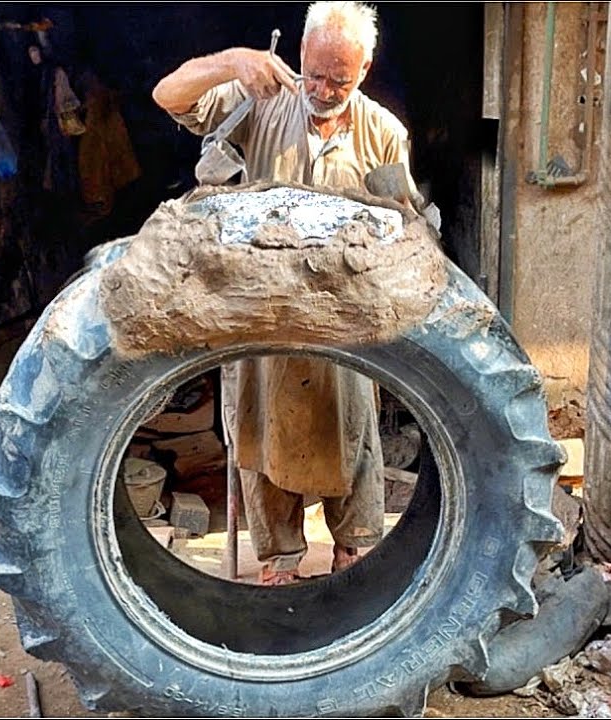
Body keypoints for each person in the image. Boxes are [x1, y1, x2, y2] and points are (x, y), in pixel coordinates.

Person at [153, 1, 412, 586]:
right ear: (298, 54)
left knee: (351, 437)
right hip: (264, 320)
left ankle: (352, 554)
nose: (321, 89)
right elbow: (168, 95)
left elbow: (401, 231)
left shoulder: (384, 134)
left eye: (338, 80)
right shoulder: (259, 101)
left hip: (342, 326)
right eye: (314, 73)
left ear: (365, 69)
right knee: (261, 436)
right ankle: (280, 563)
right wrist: (231, 62)